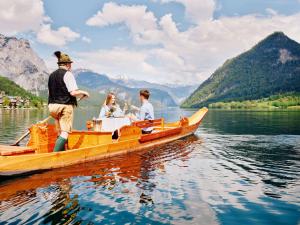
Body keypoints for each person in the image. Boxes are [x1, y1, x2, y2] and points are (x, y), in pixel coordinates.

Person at [48, 51, 89, 152]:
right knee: (65, 132)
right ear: (67, 64)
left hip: (52, 107)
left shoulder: (51, 75)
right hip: (65, 107)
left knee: (60, 132)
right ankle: (54, 157)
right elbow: (73, 92)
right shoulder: (68, 74)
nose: (71, 65)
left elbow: (51, 92)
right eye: (70, 63)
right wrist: (85, 92)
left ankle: (61, 153)